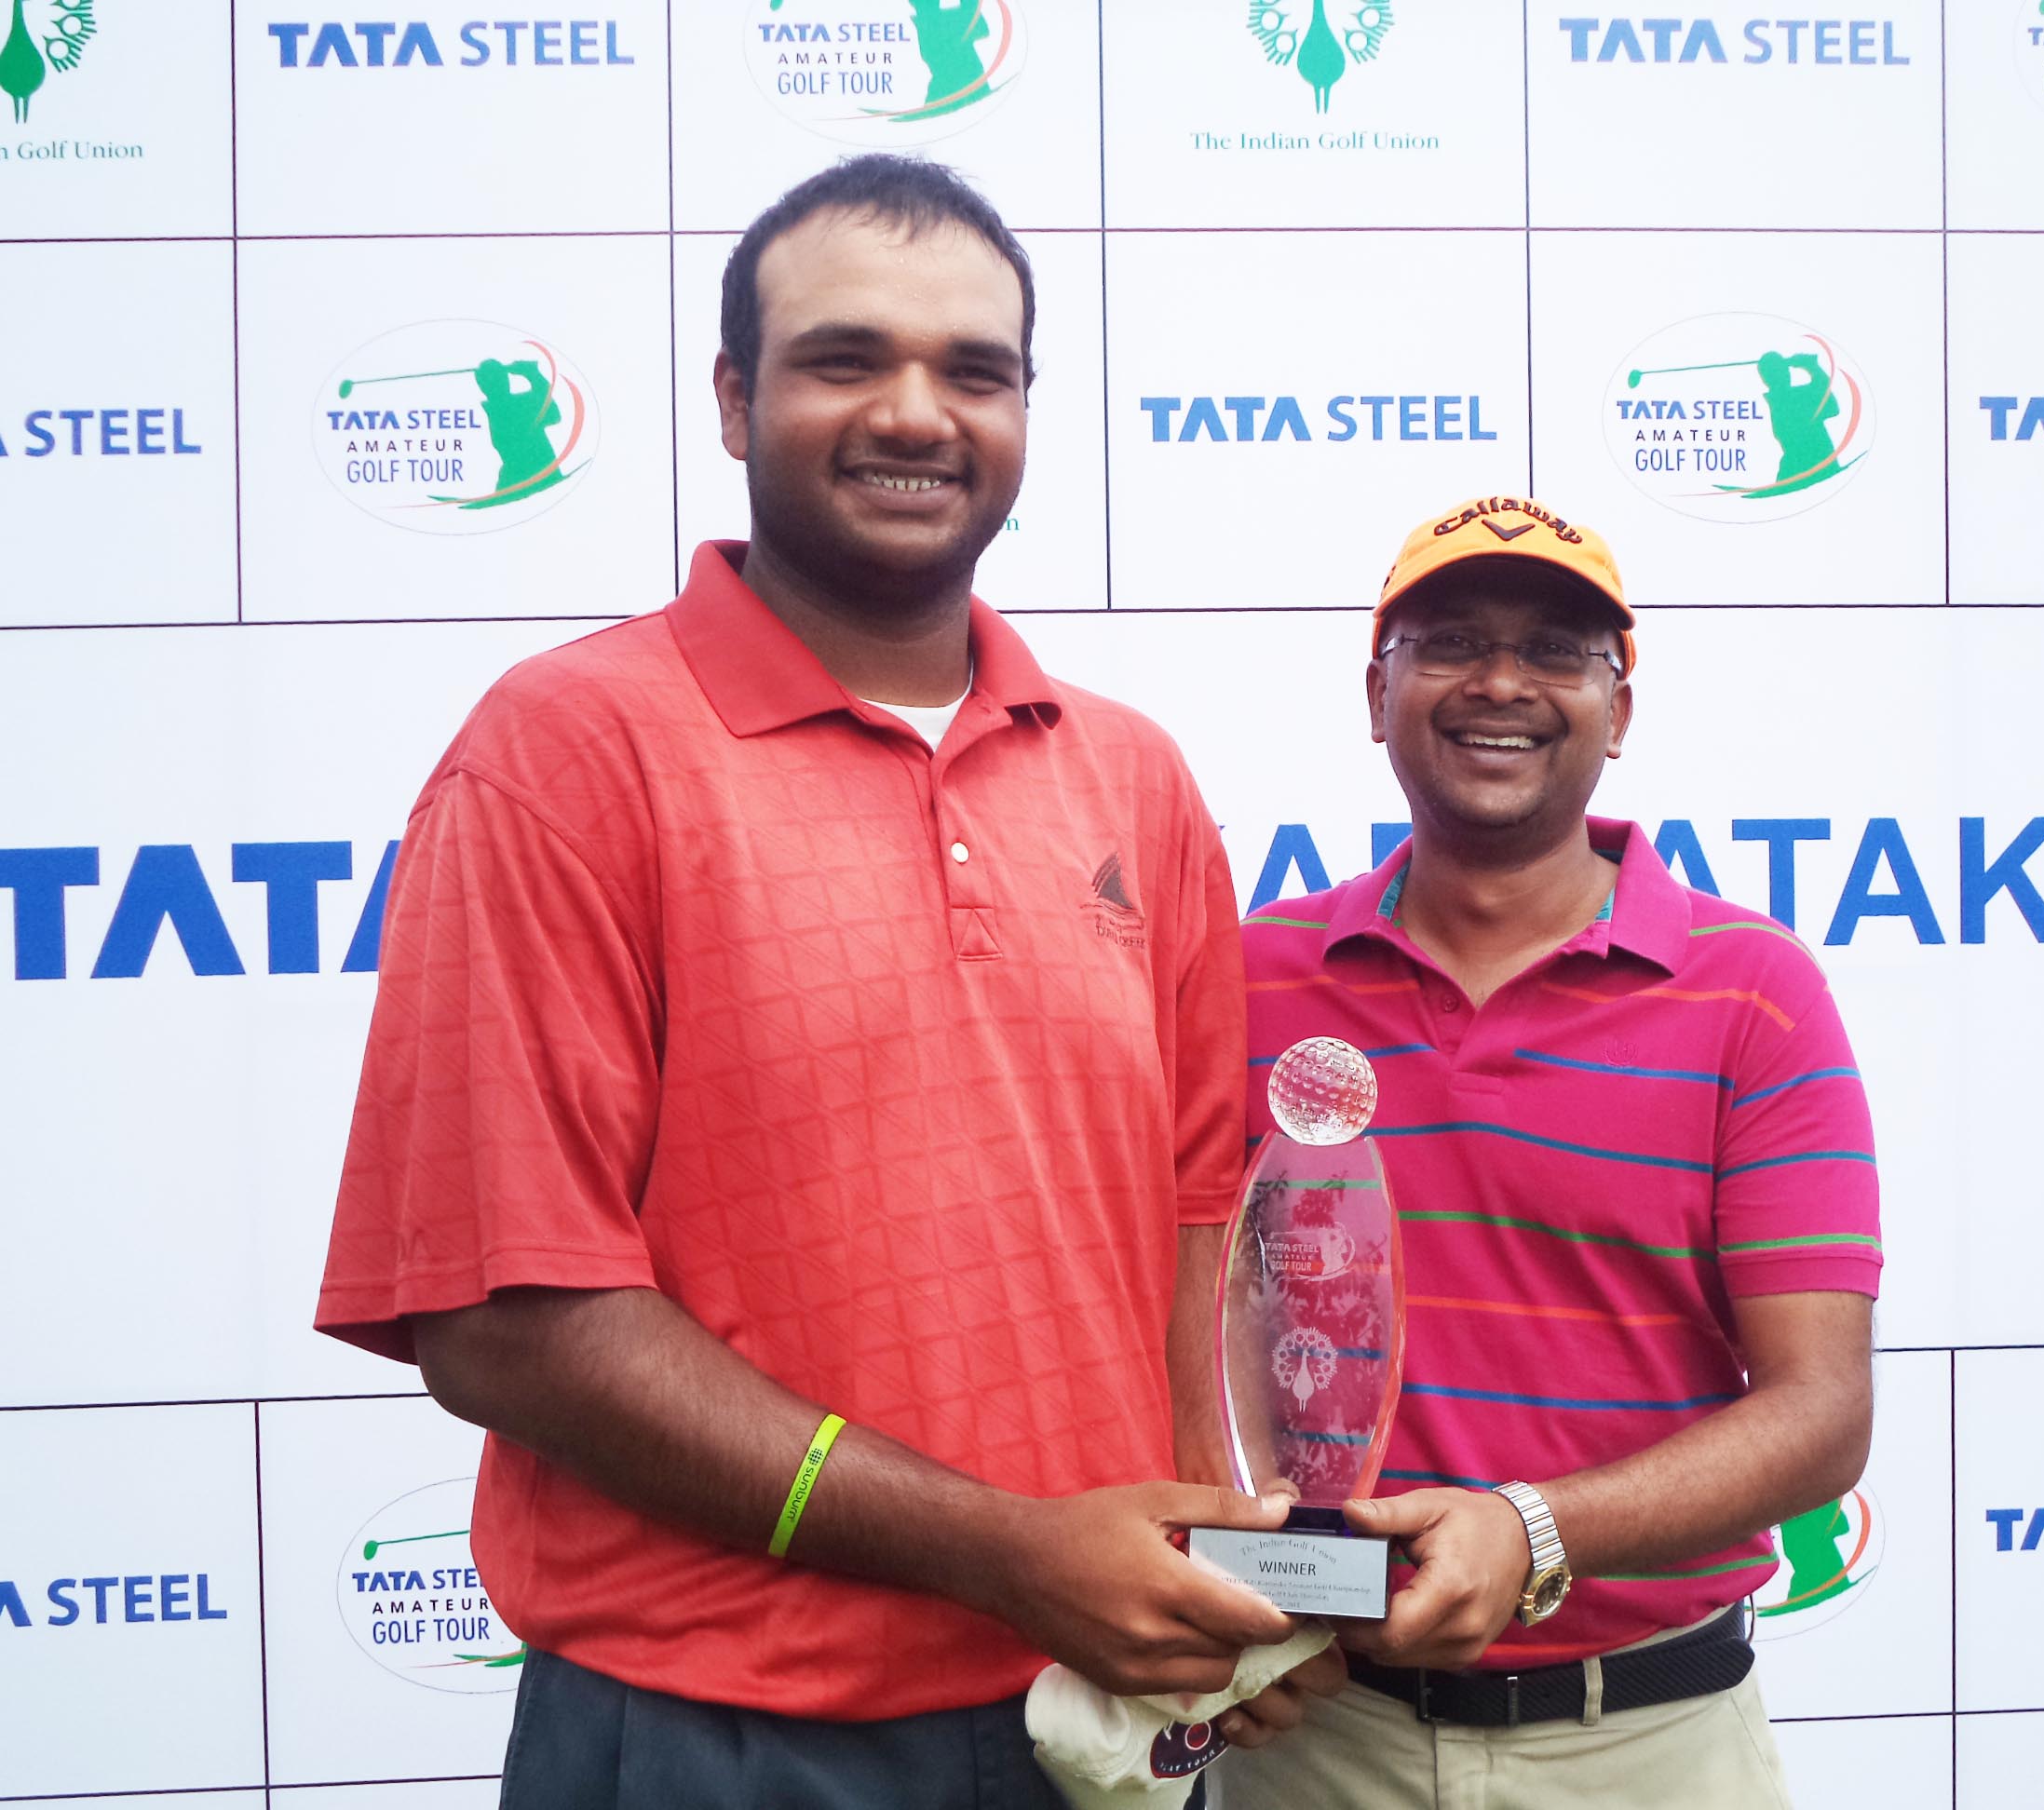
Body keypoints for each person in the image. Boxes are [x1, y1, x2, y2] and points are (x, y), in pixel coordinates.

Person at [312, 154, 1302, 1808]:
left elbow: (1202, 1227)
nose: (916, 413)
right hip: (719, 1735)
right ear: (732, 399)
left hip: (1099, 1722)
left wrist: (1233, 1576)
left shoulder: (1131, 776)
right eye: (847, 359)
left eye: (974, 371)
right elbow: (503, 1323)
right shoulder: (569, 753)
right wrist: (1005, 1549)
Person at [1213, 493, 1881, 1808]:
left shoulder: (1754, 993)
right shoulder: (1250, 978)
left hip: (1647, 1744)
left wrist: (1533, 1533)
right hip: (1318, 1737)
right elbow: (1168, 1324)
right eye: (1453, 642)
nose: (1502, 684)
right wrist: (1220, 1584)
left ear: (1618, 711)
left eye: (1557, 651)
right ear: (1378, 694)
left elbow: (1821, 1415)